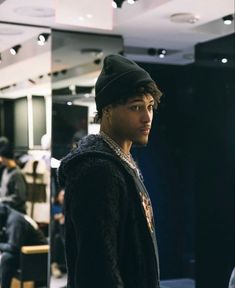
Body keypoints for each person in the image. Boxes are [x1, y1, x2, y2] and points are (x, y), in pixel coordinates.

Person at [58, 54, 163, 288]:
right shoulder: (98, 171)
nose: (147, 117)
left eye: (149, 107)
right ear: (107, 110)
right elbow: (97, 267)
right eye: (136, 107)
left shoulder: (122, 161)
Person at [0, 203, 47, 288]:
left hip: (36, 255)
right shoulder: (7, 217)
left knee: (7, 258)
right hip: (24, 253)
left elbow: (13, 247)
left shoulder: (15, 221)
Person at [0, 137, 27, 213]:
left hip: (16, 212)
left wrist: (2, 200)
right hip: (6, 210)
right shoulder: (5, 171)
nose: (0, 160)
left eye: (1, 157)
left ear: (6, 158)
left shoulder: (17, 174)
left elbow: (20, 197)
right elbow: (4, 190)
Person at [51, 188, 65, 278]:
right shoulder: (55, 207)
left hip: (66, 229)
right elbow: (53, 217)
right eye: (62, 195)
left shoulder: (69, 207)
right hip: (58, 230)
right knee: (56, 238)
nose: (64, 197)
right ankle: (54, 264)